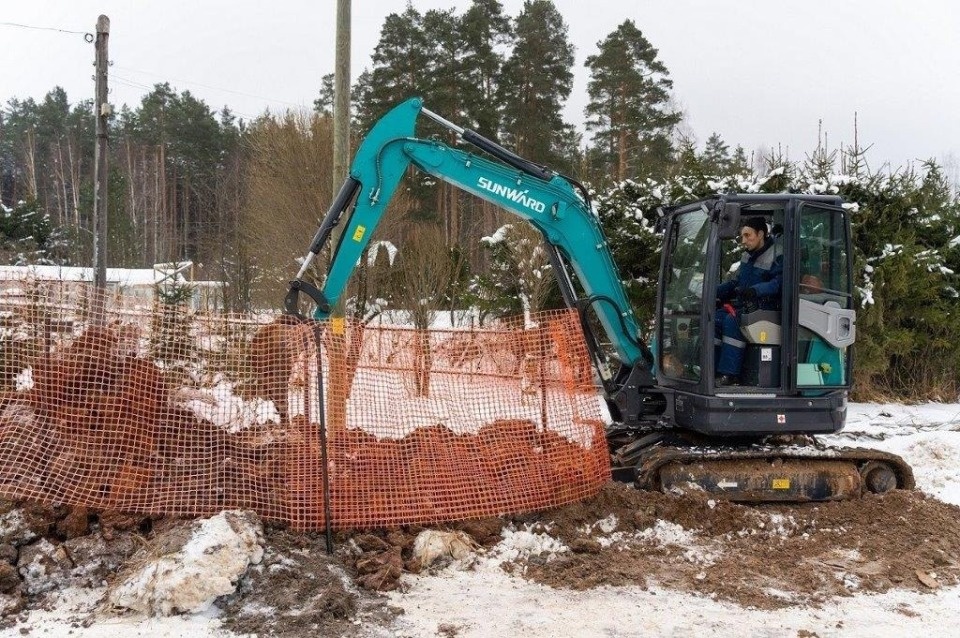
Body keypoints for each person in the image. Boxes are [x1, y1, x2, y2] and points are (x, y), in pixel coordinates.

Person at [714, 217, 783, 385]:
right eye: (742, 236)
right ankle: (712, 370)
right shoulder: (747, 256)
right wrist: (712, 291)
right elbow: (735, 282)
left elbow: (778, 284)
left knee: (732, 321)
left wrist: (755, 290)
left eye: (747, 235)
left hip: (766, 307)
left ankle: (729, 374)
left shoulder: (777, 255)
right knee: (714, 319)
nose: (743, 241)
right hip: (746, 306)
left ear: (760, 234)